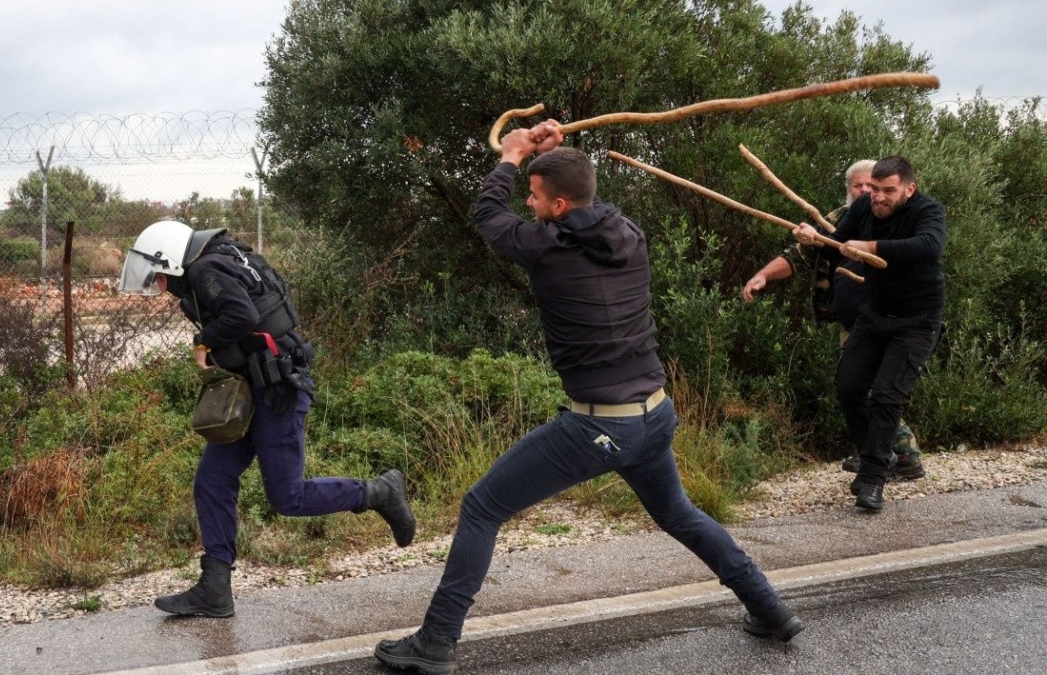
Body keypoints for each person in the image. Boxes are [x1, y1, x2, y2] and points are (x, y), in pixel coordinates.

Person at [373, 122, 804, 675]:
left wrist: (511, 156)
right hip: (654, 413)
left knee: (482, 506)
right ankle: (769, 609)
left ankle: (435, 643)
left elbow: (488, 215)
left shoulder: (547, 248)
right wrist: (553, 157)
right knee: (679, 513)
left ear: (557, 206)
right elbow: (585, 199)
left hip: (601, 427)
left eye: (535, 198)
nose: (528, 205)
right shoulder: (629, 232)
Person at [117, 220, 416, 617]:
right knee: (213, 480)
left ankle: (378, 492)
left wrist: (203, 341)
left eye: (158, 275)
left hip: (277, 390)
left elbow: (241, 315)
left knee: (288, 497)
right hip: (251, 387)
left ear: (170, 260)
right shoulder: (217, 262)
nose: (158, 285)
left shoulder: (205, 270)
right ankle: (214, 589)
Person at [742, 161, 924, 482]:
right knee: (855, 385)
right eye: (859, 186)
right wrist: (763, 276)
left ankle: (901, 456)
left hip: (894, 320)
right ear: (849, 189)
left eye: (872, 186)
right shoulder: (840, 219)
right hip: (855, 322)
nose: (866, 192)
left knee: (877, 387)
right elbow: (800, 254)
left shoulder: (901, 218)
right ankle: (881, 454)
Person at [793, 156, 945, 511]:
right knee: (848, 386)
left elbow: (929, 246)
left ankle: (873, 478)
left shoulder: (928, 211)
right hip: (874, 317)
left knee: (887, 395)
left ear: (909, 189)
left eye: (888, 191)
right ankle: (878, 454)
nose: (878, 197)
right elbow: (838, 246)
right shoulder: (862, 208)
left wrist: (871, 247)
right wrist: (814, 239)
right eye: (874, 189)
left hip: (916, 322)